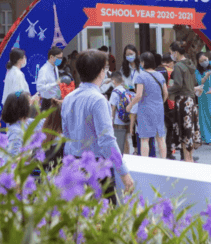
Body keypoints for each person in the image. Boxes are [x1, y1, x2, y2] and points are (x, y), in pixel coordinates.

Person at [61, 49, 136, 202]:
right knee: (102, 212)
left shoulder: (68, 98)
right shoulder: (98, 100)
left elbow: (66, 134)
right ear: (101, 72)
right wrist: (123, 172)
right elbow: (107, 141)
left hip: (72, 164)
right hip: (96, 168)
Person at [168, 41, 202, 162]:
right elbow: (194, 83)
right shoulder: (190, 63)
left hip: (182, 101)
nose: (171, 55)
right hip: (191, 100)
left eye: (171, 52)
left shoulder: (178, 66)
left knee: (183, 132)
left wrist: (167, 90)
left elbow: (177, 84)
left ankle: (187, 159)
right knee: (190, 130)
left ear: (176, 53)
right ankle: (190, 157)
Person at [133, 52, 167, 158]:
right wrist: (160, 102)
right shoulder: (160, 75)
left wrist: (129, 106)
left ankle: (145, 163)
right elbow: (166, 93)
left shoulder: (141, 76)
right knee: (160, 137)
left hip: (145, 109)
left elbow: (138, 95)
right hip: (159, 108)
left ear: (143, 63)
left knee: (144, 139)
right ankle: (164, 161)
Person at [3, 91, 33, 156]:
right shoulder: (16, 132)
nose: (30, 106)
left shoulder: (19, 125)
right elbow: (14, 158)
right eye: (28, 104)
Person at [107, 71, 131, 154]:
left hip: (118, 120)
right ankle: (127, 155)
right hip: (126, 119)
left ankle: (120, 156)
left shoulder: (115, 92)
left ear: (113, 81)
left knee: (119, 140)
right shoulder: (126, 90)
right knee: (125, 139)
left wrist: (111, 120)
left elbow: (113, 108)